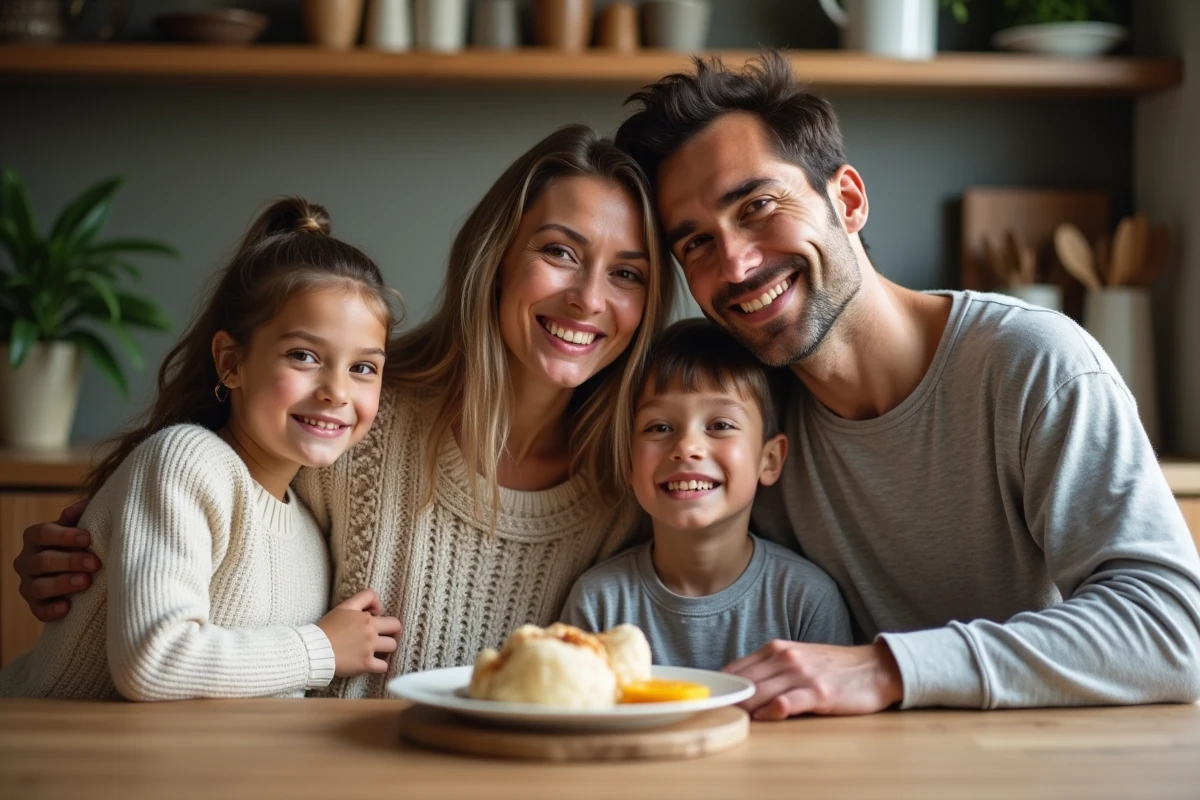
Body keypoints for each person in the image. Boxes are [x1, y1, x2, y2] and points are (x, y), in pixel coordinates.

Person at [610, 51, 1200, 719]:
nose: (737, 264)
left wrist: (888, 668)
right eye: (695, 244)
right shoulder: (743, 426)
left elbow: (1173, 630)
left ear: (849, 200)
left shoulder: (1033, 364)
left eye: (758, 206)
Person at [11, 126, 677, 699]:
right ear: (496, 258)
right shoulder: (356, 415)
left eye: (627, 273)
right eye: (559, 252)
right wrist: (91, 556)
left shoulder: (640, 478)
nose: (590, 298)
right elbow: (203, 514)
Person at [0, 198, 403, 699]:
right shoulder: (187, 463)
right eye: (303, 355)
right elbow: (153, 661)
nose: (337, 391)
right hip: (51, 757)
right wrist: (319, 648)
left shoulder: (309, 529)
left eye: (363, 367)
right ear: (231, 363)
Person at [561, 318, 853, 671]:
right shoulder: (599, 602)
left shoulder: (806, 601)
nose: (687, 447)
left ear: (769, 460)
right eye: (660, 427)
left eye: (720, 426)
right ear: (628, 461)